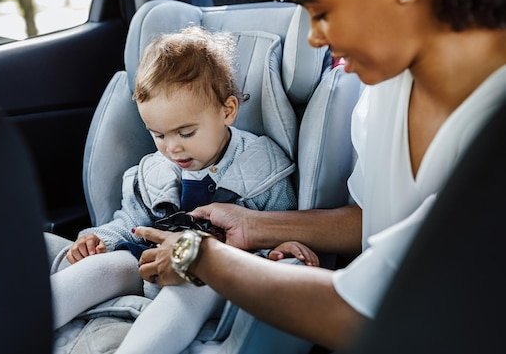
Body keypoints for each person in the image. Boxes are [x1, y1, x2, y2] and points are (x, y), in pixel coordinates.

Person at [133, 0, 506, 350]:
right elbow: (374, 219)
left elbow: (362, 313)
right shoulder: (381, 94)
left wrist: (198, 256)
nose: (313, 37)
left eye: (321, 11)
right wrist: (253, 225)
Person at [45, 26, 314, 353]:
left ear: (227, 110)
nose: (171, 148)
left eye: (186, 133)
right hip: (151, 265)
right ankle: (14, 330)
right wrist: (100, 239)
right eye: (158, 135)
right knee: (104, 267)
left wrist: (285, 247)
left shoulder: (262, 171)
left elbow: (281, 228)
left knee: (195, 285)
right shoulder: (154, 172)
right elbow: (130, 223)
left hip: (218, 279)